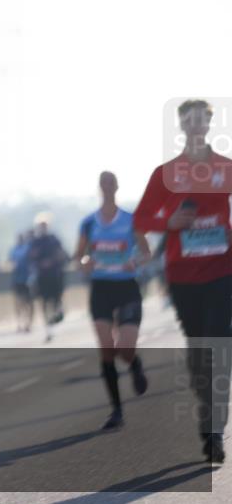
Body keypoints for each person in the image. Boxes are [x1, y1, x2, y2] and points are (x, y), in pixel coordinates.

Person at [133, 99, 231, 464]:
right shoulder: (166, 174)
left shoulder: (225, 167)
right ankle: (205, 399)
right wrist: (168, 224)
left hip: (223, 270)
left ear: (209, 124)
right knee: (199, 351)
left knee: (220, 343)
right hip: (183, 274)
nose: (195, 126)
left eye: (201, 120)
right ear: (182, 127)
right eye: (188, 120)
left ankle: (214, 429)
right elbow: (141, 218)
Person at [75, 171, 149, 430]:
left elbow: (146, 253)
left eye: (111, 183)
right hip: (101, 289)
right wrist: (86, 262)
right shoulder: (88, 222)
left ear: (117, 187)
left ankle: (135, 363)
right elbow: (79, 257)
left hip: (127, 288)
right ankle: (116, 410)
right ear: (99, 188)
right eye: (103, 184)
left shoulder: (131, 219)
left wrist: (134, 261)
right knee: (107, 348)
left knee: (126, 348)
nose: (107, 187)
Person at [29, 214, 67, 342]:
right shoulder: (35, 241)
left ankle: (59, 312)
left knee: (57, 300)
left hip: (55, 275)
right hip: (42, 276)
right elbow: (30, 257)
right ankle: (48, 328)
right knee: (44, 302)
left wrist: (52, 261)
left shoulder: (54, 239)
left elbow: (62, 254)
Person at [8, 232, 34, 332]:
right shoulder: (13, 250)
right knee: (18, 302)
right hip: (16, 279)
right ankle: (19, 322)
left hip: (27, 279)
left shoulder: (28, 248)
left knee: (28, 302)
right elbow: (10, 262)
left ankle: (28, 322)